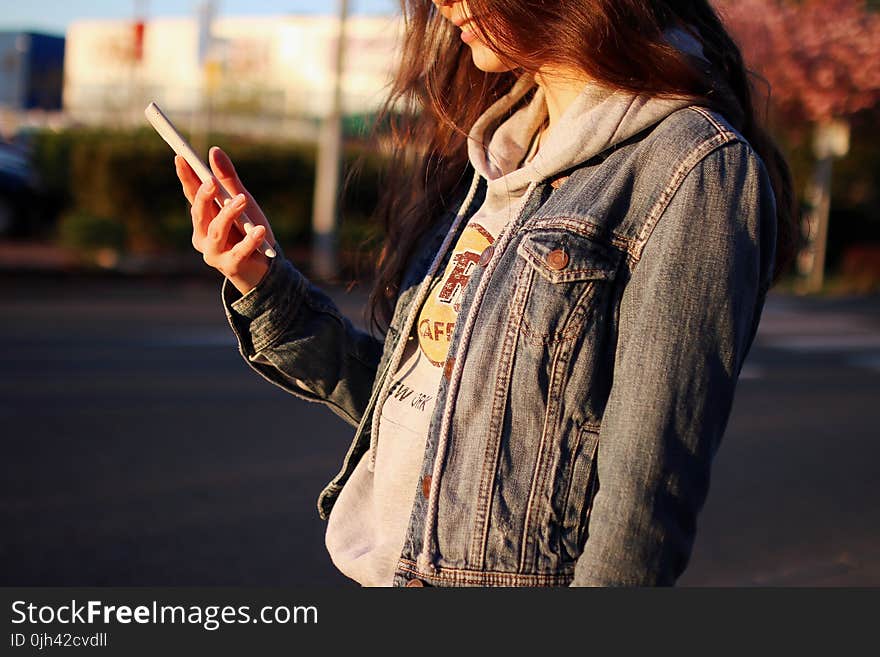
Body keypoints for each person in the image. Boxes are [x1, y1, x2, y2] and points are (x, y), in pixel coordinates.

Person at [174, 0, 794, 587]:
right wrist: (263, 281)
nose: (444, 5)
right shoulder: (498, 155)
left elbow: (644, 500)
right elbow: (427, 410)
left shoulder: (691, 165)